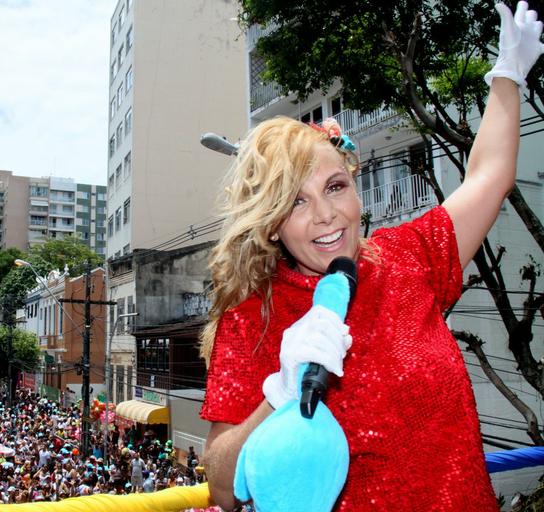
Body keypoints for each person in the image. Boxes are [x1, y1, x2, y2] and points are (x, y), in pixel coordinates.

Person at [199, 2, 544, 510]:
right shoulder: (252, 315)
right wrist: (281, 392)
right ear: (271, 224)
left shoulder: (407, 257)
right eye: (296, 201)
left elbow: (488, 176)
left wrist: (507, 75)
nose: (325, 215)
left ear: (357, 192)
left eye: (334, 187)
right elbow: (223, 490)